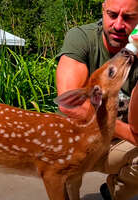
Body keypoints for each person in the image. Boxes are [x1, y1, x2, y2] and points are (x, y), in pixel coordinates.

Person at [56, 0, 138, 199]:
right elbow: (69, 105)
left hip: (115, 145)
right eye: (112, 15)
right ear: (103, 9)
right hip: (76, 141)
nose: (118, 25)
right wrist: (127, 132)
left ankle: (115, 193)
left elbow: (136, 125)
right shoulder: (81, 38)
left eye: (128, 18)